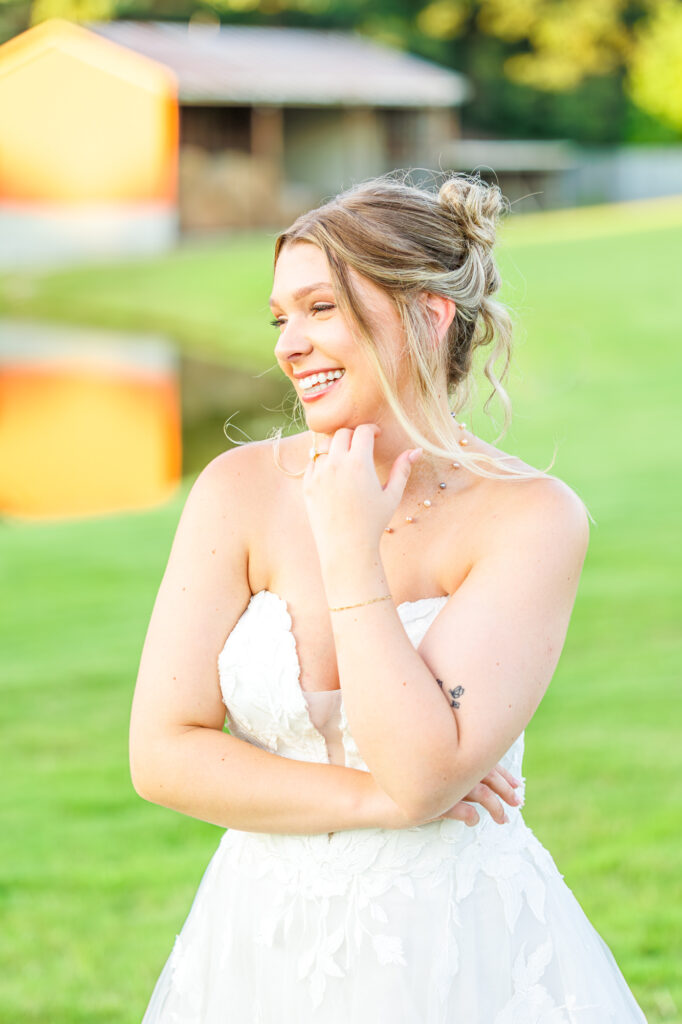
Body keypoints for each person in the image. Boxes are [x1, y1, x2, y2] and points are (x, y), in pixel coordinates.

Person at [131, 171, 648, 1022]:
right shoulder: (237, 490)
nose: (287, 344)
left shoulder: (530, 520)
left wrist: (348, 551)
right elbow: (162, 754)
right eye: (279, 318)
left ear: (427, 315)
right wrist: (382, 802)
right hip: (260, 936)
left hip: (451, 943)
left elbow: (419, 766)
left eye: (320, 309)